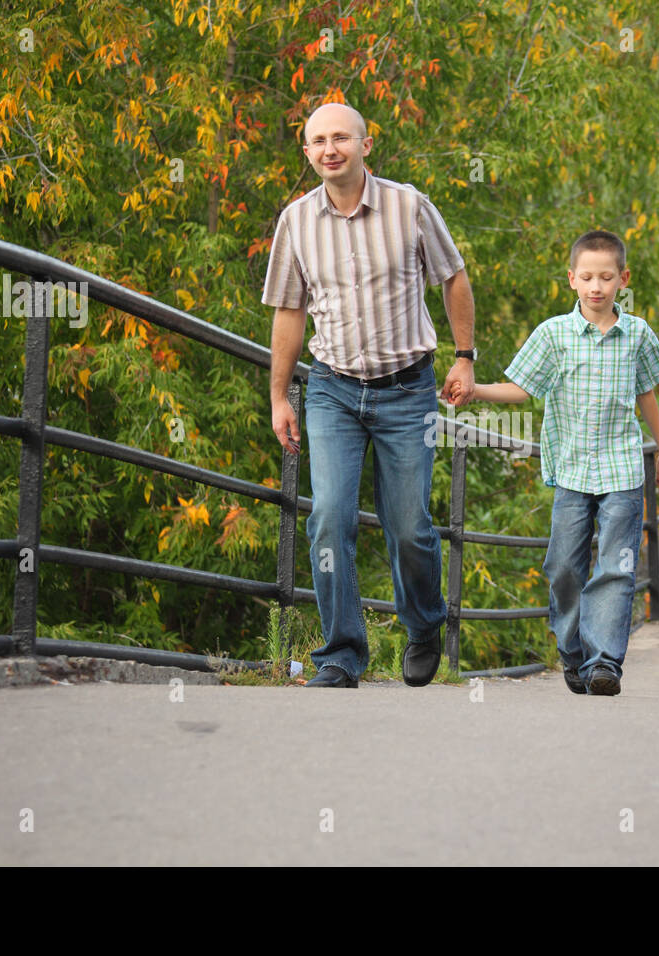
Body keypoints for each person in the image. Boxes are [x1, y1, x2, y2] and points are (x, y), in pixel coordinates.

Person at [264, 101, 476, 688]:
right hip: (331, 389)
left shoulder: (409, 206)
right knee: (329, 517)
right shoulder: (296, 222)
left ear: (365, 144)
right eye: (317, 141)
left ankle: (423, 623)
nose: (329, 149)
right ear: (307, 152)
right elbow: (289, 310)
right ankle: (340, 653)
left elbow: (454, 276)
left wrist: (464, 356)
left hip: (407, 389)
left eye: (341, 138)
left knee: (409, 525)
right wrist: (280, 397)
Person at [450, 230, 659, 695]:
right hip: (571, 471)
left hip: (622, 469)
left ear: (623, 279)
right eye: (588, 277)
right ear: (571, 279)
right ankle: (573, 649)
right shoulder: (552, 334)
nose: (597, 286)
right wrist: (476, 390)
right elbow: (524, 389)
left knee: (616, 566)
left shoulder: (637, 334)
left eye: (607, 277)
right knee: (563, 568)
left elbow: (647, 393)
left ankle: (605, 663)